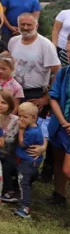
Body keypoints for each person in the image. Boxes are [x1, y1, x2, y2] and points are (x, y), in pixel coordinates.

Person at [8, 13, 60, 111]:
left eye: (29, 25)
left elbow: (57, 71)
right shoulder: (13, 41)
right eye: (22, 24)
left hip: (35, 94)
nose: (25, 27)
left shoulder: (46, 45)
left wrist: (47, 97)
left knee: (32, 125)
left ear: (36, 26)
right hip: (13, 91)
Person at [14, 102, 46, 218]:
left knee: (23, 182)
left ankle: (25, 206)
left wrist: (21, 130)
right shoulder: (33, 127)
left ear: (34, 118)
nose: (21, 119)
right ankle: (34, 176)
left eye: (25, 117)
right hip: (30, 161)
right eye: (20, 116)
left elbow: (22, 144)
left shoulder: (32, 132)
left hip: (27, 162)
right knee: (25, 179)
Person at [45, 63, 70, 208]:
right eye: (68, 51)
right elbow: (53, 97)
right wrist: (62, 121)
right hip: (60, 126)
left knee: (68, 169)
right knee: (59, 160)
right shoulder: (64, 72)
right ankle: (59, 194)